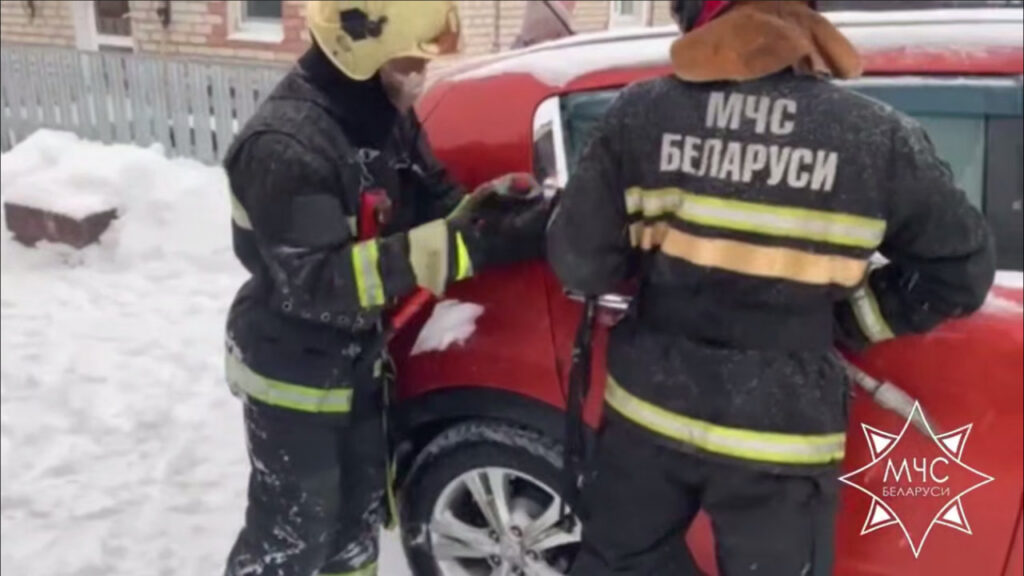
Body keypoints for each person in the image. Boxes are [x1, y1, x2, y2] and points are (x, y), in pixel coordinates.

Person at [547, 1, 996, 574]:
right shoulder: (876, 137)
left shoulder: (640, 113)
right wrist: (848, 320)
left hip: (648, 416)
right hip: (780, 435)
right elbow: (960, 270)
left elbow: (582, 265)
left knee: (623, 563)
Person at [221, 2, 548, 575]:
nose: (419, 77)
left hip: (358, 362)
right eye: (407, 63)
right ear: (357, 52)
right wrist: (453, 247)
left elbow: (431, 195)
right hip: (293, 374)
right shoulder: (283, 147)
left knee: (356, 529)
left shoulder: (382, 117)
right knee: (294, 539)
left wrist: (482, 214)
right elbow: (317, 284)